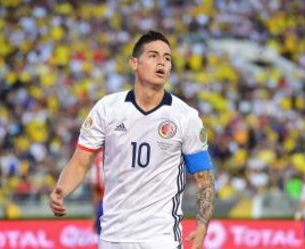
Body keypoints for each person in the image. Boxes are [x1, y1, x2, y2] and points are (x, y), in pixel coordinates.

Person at [49, 30, 215, 249]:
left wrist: (202, 227)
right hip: (113, 236)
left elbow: (204, 178)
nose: (162, 62)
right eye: (153, 55)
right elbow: (81, 160)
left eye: (167, 58)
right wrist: (61, 189)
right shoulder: (107, 109)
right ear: (134, 63)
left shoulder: (186, 116)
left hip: (161, 238)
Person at [88, 150, 105, 235]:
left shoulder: (98, 159)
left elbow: (94, 187)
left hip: (104, 203)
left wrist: (94, 214)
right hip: (120, 202)